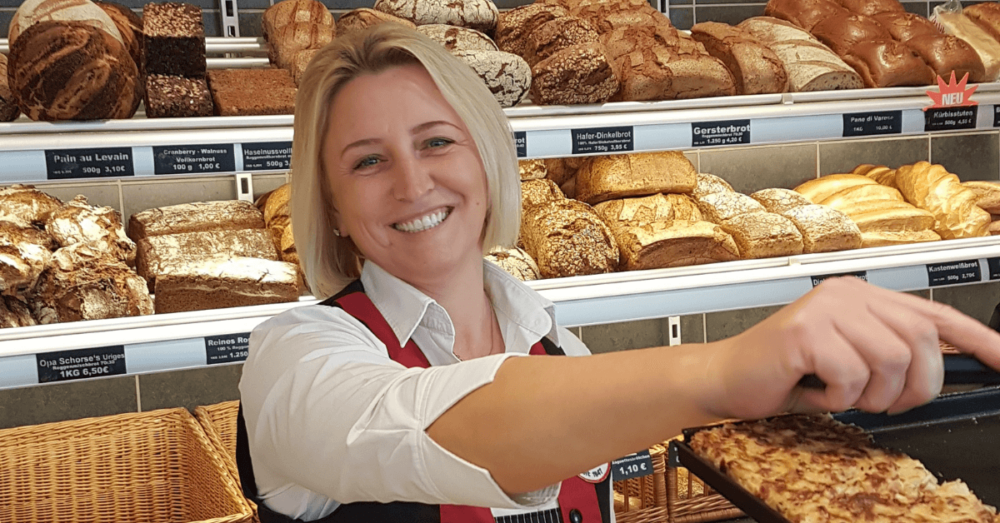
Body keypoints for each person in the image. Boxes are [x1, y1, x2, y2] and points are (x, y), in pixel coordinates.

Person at [237, 23, 1000, 523]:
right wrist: (724, 369)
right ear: (331, 205)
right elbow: (422, 422)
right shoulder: (295, 358)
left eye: (438, 142)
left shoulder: (554, 342)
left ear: (487, 162)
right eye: (368, 161)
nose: (412, 182)